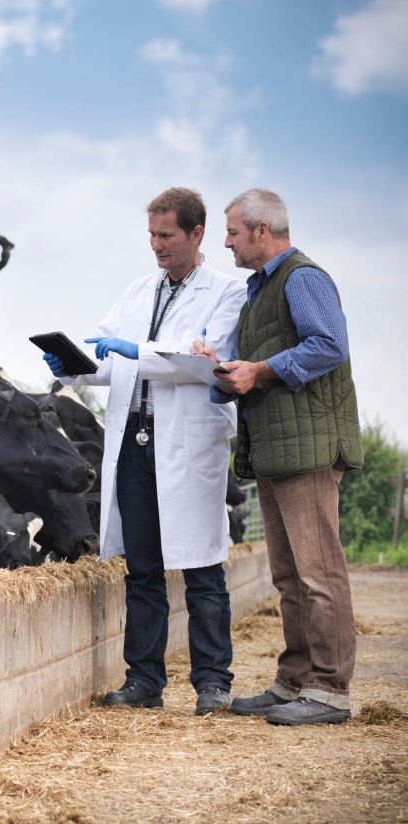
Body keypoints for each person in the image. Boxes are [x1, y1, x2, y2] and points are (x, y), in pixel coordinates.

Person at [43, 187, 247, 714]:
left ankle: (212, 682)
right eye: (151, 235)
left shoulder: (228, 294)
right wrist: (79, 367)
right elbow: (110, 356)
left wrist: (141, 351)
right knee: (143, 566)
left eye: (166, 235)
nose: (156, 245)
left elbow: (204, 363)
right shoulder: (139, 290)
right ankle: (144, 681)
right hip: (135, 441)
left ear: (196, 234)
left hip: (187, 443)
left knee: (203, 565)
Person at [193, 188, 363, 726]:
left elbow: (329, 345)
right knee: (289, 576)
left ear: (261, 231)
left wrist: (260, 370)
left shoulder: (302, 278)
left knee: (319, 574)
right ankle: (295, 681)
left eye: (233, 233)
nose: (226, 243)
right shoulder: (258, 291)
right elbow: (260, 367)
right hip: (276, 450)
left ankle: (330, 690)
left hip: (309, 450)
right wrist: (224, 370)